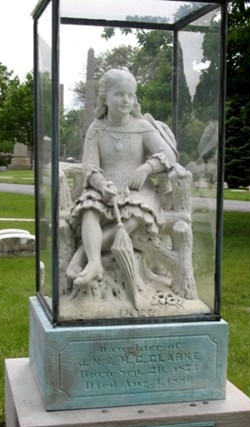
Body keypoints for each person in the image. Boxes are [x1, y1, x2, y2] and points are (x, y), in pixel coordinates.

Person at [66, 68, 179, 286]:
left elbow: (169, 153)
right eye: (119, 94)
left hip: (138, 190)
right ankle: (95, 263)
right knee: (90, 211)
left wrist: (147, 168)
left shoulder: (142, 127)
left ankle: (83, 255)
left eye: (130, 94)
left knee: (134, 217)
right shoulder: (96, 129)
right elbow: (90, 166)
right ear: (105, 98)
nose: (126, 100)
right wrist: (101, 184)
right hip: (104, 187)